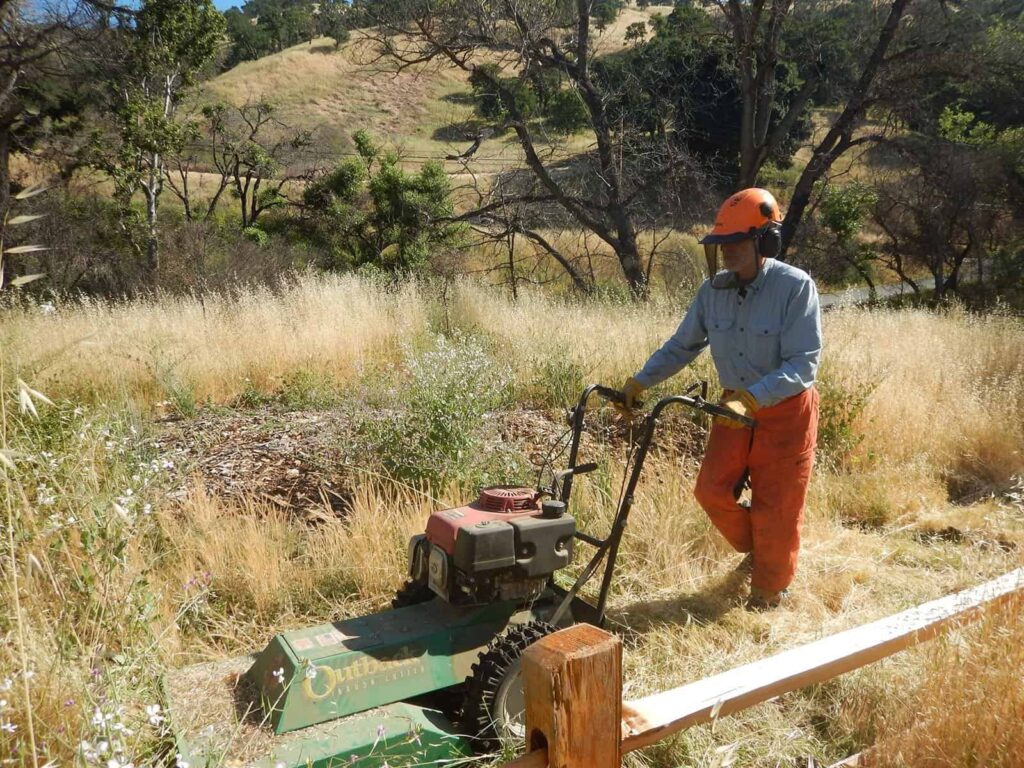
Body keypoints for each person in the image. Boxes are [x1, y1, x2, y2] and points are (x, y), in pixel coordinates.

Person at [620, 188, 821, 610]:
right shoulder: (712, 292)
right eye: (721, 244)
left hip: (785, 411)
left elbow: (804, 363)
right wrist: (639, 383)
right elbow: (682, 346)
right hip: (732, 407)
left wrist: (754, 398)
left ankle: (769, 592)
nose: (727, 252)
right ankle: (761, 552)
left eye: (736, 243)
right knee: (711, 491)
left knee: (776, 507)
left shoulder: (795, 287)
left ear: (765, 241)